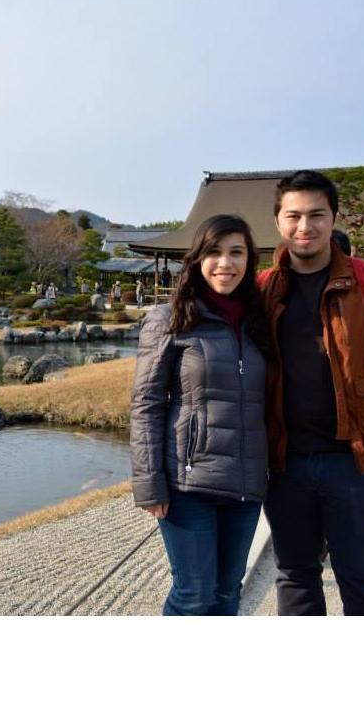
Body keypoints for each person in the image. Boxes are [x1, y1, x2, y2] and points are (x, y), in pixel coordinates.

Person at [258, 170, 364, 616]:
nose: (304, 227)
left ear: (334, 218)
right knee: (295, 579)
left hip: (356, 464)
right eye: (293, 216)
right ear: (277, 221)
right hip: (286, 466)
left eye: (316, 215)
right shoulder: (264, 289)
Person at [130, 214, 269, 616]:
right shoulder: (170, 318)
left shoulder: (260, 321)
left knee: (228, 592)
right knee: (193, 594)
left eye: (236, 253)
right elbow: (147, 403)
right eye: (214, 252)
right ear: (197, 259)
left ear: (249, 260)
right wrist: (149, 483)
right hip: (188, 483)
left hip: (246, 483)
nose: (225, 263)